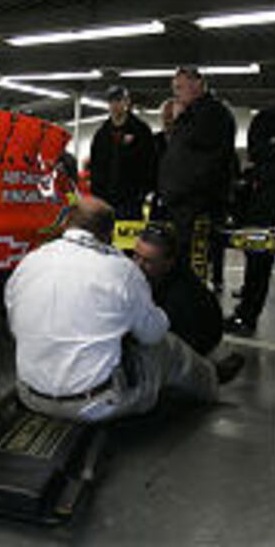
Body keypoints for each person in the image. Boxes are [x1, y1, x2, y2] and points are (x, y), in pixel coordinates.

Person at [4, 196, 244, 423]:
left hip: (30, 395)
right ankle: (211, 381)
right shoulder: (121, 271)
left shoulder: (29, 262)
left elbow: (14, 325)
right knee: (167, 346)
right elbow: (153, 335)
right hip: (93, 405)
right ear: (109, 235)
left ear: (67, 224)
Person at [156, 67, 236, 268]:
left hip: (194, 205)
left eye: (180, 87)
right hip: (182, 203)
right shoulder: (192, 115)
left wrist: (180, 192)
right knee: (178, 259)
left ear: (198, 85)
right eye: (175, 88)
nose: (176, 93)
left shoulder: (213, 114)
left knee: (189, 263)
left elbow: (205, 161)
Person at [224, 105, 275, 336]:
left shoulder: (267, 117)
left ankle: (246, 316)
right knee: (257, 260)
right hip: (265, 201)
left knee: (258, 262)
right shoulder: (268, 117)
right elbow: (258, 154)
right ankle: (246, 316)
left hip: (266, 201)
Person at [133, 222, 223, 355]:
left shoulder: (185, 296)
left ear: (169, 263)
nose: (137, 265)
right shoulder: (153, 276)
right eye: (136, 256)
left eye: (148, 261)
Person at [90, 85, 156, 219]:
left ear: (127, 102)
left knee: (129, 238)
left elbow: (150, 162)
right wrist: (96, 194)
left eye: (119, 100)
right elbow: (95, 165)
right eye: (111, 101)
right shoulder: (101, 134)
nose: (115, 105)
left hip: (131, 201)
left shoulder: (141, 131)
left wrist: (142, 192)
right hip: (105, 200)